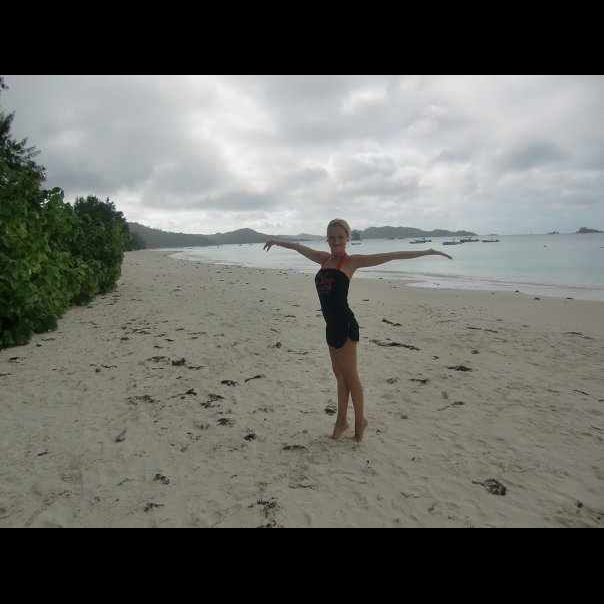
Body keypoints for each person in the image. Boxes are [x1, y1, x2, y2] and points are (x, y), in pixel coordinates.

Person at [263, 219, 453, 442]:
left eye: (340, 237)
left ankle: (360, 421)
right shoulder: (323, 259)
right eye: (331, 237)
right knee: (339, 376)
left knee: (351, 378)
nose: (335, 241)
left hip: (345, 325)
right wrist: (276, 241)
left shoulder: (351, 262)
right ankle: (341, 421)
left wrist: (427, 251)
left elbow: (392, 255)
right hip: (330, 326)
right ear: (327, 239)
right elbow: (298, 247)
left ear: (347, 238)